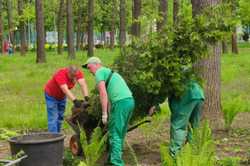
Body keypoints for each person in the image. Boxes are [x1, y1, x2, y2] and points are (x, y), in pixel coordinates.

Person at [82, 57, 134, 166]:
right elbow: (110, 99)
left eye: (89, 67)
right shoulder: (109, 73)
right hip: (129, 102)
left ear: (96, 64)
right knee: (119, 133)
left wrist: (104, 114)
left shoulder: (99, 72)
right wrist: (109, 116)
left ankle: (116, 163)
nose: (90, 71)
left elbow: (103, 94)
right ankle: (111, 160)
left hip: (120, 103)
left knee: (115, 134)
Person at [149, 81, 205, 157]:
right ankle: (193, 154)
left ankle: (175, 156)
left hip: (185, 95)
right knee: (194, 126)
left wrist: (155, 103)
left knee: (178, 126)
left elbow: (165, 86)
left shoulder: (168, 72)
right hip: (198, 93)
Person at [44, 65, 89, 133]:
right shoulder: (60, 74)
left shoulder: (77, 73)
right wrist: (75, 101)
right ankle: (53, 138)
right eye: (72, 76)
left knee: (60, 116)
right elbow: (65, 89)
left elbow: (83, 84)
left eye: (75, 76)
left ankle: (57, 135)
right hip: (51, 96)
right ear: (68, 72)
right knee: (53, 117)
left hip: (62, 97)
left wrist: (86, 97)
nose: (74, 78)